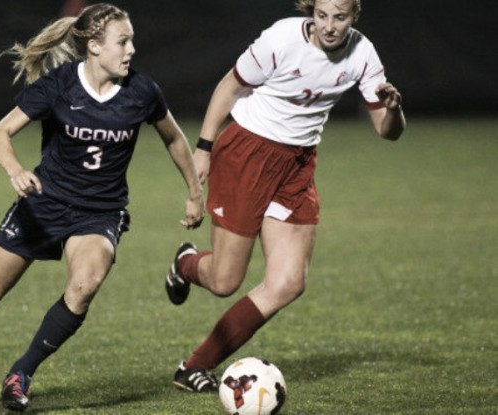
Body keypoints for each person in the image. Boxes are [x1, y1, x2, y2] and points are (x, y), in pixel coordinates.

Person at [0, 3, 205, 412]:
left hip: (99, 213)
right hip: (45, 204)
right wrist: (15, 170)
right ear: (93, 46)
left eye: (132, 40)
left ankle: (21, 372)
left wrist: (195, 191)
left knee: (84, 286)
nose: (131, 49)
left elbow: (175, 139)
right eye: (122, 41)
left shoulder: (143, 91)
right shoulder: (59, 85)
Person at [165, 0, 406, 392]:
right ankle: (187, 263)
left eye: (340, 17)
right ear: (312, 10)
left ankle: (194, 366)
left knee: (288, 282)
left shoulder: (362, 52)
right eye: (322, 15)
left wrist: (394, 110)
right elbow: (230, 85)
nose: (329, 26)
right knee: (226, 281)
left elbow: (387, 130)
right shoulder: (281, 38)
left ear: (354, 16)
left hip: (297, 165)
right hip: (247, 152)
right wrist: (204, 149)